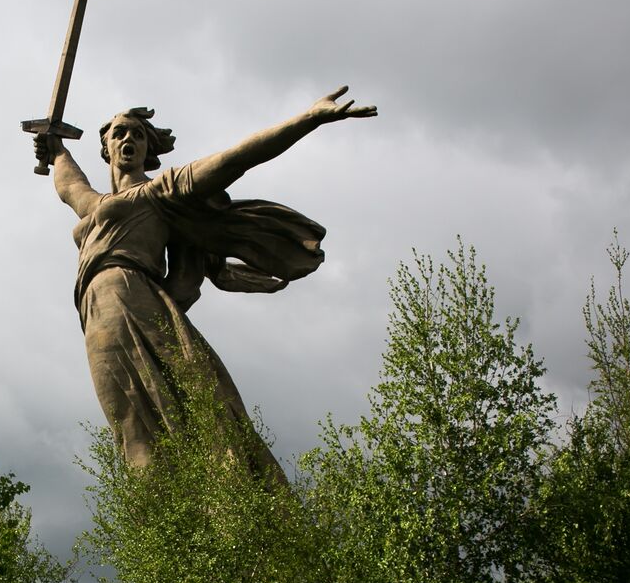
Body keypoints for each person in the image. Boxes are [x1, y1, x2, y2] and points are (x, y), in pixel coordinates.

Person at [35, 87, 377, 474]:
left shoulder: (160, 191)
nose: (128, 138)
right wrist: (55, 146)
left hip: (129, 295)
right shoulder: (95, 205)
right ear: (107, 149)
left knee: (158, 423)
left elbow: (236, 158)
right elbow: (69, 185)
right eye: (120, 133)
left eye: (138, 134)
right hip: (96, 310)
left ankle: (210, 493)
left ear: (148, 149)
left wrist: (307, 119)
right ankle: (163, 505)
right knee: (129, 423)